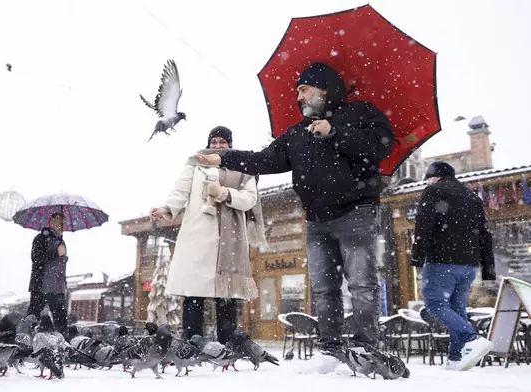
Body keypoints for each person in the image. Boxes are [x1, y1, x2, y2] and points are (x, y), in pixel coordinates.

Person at [194, 63, 401, 375]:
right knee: (323, 288)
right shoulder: (296, 134)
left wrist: (335, 133)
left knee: (361, 283)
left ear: (323, 88)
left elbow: (381, 146)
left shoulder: (359, 113)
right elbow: (264, 159)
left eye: (303, 89)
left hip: (356, 212)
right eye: (297, 92)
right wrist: (224, 158)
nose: (299, 97)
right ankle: (330, 350)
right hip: (317, 220)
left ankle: (363, 347)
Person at [150, 126, 266, 344]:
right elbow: (180, 190)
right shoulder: (195, 164)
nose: (218, 146)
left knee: (227, 297)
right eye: (214, 142)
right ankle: (192, 344)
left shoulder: (244, 167)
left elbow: (250, 199)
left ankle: (226, 345)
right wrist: (166, 209)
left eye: (223, 142)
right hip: (197, 236)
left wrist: (224, 193)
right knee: (194, 295)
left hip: (229, 240)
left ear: (230, 144)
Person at [411, 161, 495, 371]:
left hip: (441, 261)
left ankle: (472, 338)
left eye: (429, 177)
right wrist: (488, 268)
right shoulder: (473, 197)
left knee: (434, 304)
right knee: (457, 309)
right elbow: (484, 233)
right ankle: (456, 358)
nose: (428, 181)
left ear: (435, 176)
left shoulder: (433, 191)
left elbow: (423, 226)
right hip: (468, 265)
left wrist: (417, 258)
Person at [27, 212, 69, 336]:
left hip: (57, 287)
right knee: (33, 316)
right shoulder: (40, 238)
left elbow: (60, 266)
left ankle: (63, 343)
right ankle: (25, 340)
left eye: (62, 223)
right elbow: (36, 258)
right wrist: (56, 254)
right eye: (57, 222)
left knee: (61, 320)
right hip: (41, 285)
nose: (60, 225)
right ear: (50, 222)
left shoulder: (61, 242)